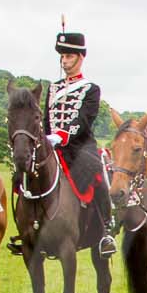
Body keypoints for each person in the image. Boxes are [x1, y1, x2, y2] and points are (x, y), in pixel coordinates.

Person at [46, 22, 115, 256]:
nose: (64, 61)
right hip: (52, 146)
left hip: (79, 147)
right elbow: (46, 118)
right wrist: (47, 138)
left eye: (68, 56)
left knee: (96, 172)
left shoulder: (91, 89)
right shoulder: (53, 88)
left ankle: (106, 228)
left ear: (80, 57)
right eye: (62, 56)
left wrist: (62, 135)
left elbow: (85, 119)